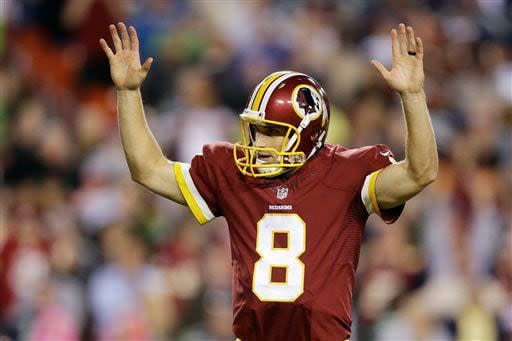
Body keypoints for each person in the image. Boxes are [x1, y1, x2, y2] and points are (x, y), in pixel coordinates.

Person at [100, 22, 438, 341]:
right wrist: (129, 92)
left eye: (273, 133)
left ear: (308, 135)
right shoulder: (234, 171)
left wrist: (412, 96)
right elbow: (147, 169)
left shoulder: (346, 174)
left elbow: (420, 173)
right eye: (256, 131)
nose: (259, 145)